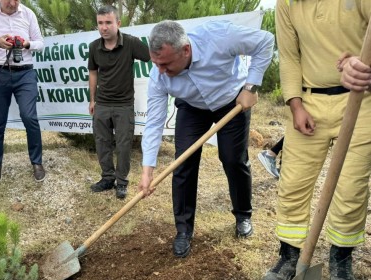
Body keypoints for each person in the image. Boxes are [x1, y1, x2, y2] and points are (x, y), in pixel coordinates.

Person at [262, 0, 371, 280]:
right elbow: (288, 56)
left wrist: (363, 67)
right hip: (309, 102)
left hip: (360, 101)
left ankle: (341, 258)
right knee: (293, 183)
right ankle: (289, 254)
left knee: (351, 187)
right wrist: (295, 104)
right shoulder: (286, 4)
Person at [138, 20, 274, 258]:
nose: (161, 71)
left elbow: (265, 41)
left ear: (186, 50)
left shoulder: (218, 36)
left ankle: (243, 214)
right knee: (182, 164)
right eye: (156, 63)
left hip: (232, 100)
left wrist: (251, 87)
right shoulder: (159, 75)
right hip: (192, 108)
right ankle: (183, 230)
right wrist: (147, 168)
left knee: (233, 159)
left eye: (167, 64)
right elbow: (154, 122)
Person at [0, 0, 45, 183]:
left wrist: (27, 44)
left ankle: (37, 162)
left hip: (25, 73)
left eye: (16, 0)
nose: (13, 3)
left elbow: (40, 43)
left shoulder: (28, 13)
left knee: (29, 117)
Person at [88, 5, 150, 199]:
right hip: (102, 104)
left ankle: (121, 182)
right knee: (102, 142)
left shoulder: (131, 43)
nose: (104, 27)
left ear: (118, 23)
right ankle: (107, 178)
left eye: (108, 22)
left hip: (124, 105)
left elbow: (153, 58)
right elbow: (93, 73)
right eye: (100, 23)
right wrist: (92, 99)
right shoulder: (94, 47)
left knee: (123, 145)